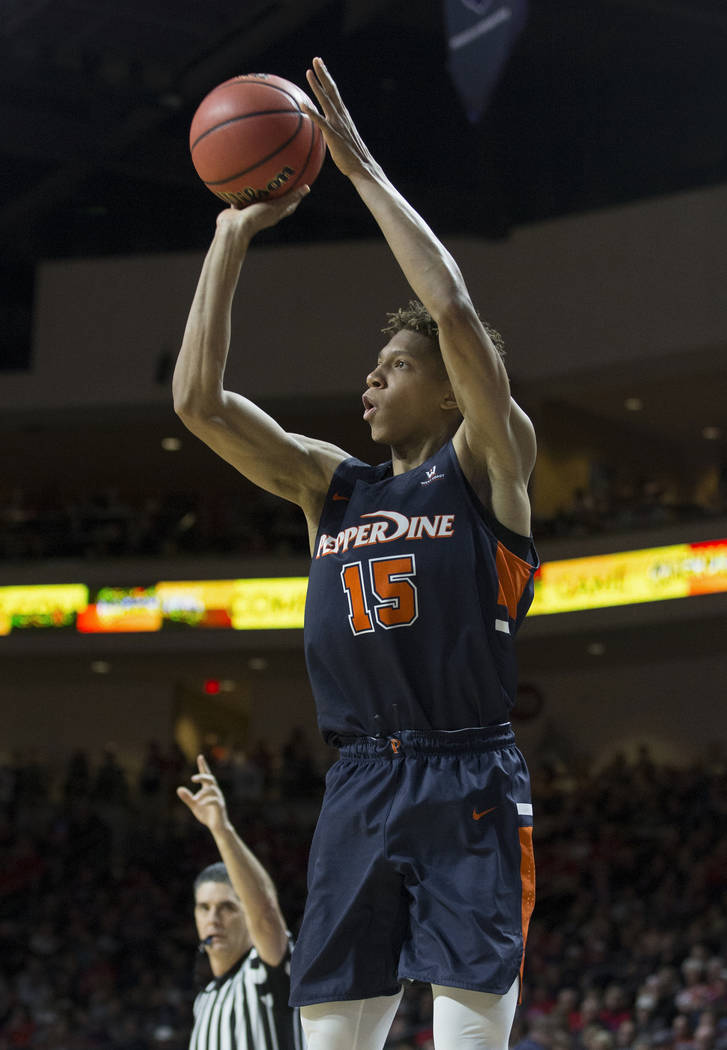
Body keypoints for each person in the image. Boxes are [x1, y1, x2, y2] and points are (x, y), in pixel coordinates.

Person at [174, 56, 538, 1050]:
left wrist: (362, 169)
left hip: (466, 775)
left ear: (454, 391)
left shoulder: (486, 465)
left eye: (394, 368)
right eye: (372, 369)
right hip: (359, 785)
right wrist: (227, 237)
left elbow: (457, 316)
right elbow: (197, 406)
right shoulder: (333, 486)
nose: (369, 383)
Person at [177, 755, 303, 1050]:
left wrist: (221, 830)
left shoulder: (262, 969)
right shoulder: (204, 999)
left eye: (228, 907)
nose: (214, 918)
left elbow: (266, 913)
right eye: (204, 908)